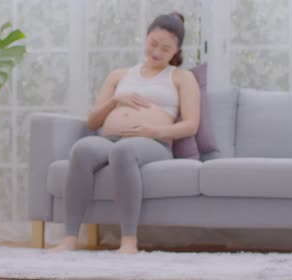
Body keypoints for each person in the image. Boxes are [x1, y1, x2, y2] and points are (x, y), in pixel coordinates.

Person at [53, 12, 201, 254]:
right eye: (153, 44)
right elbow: (92, 122)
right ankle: (70, 237)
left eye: (165, 48)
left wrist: (153, 130)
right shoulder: (119, 75)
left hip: (154, 143)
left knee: (124, 150)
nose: (156, 52)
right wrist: (115, 100)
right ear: (145, 38)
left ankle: (129, 241)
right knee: (81, 149)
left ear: (176, 51)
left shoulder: (182, 78)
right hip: (110, 139)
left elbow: (191, 125)